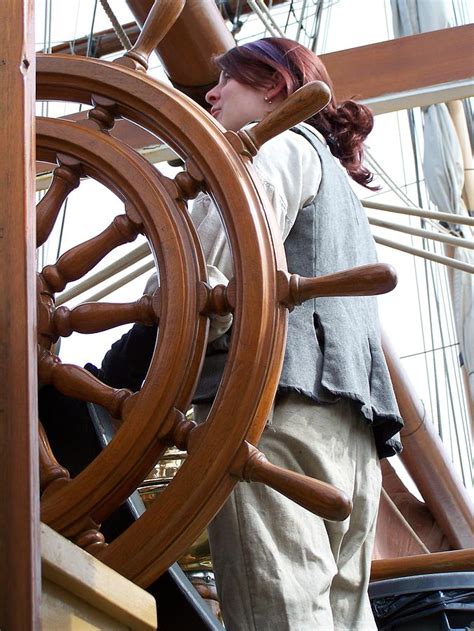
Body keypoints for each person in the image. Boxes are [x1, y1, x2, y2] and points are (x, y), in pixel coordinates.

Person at [98, 38, 403, 631]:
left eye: (226, 81)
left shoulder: (273, 148)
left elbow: (203, 291)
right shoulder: (341, 194)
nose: (209, 93)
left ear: (273, 88)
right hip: (357, 450)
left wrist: (111, 376)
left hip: (271, 424)